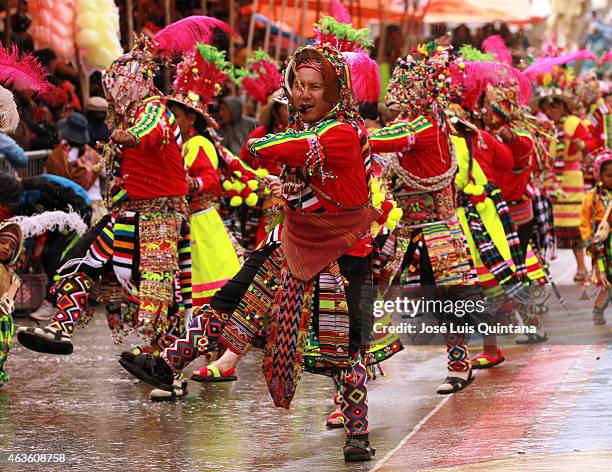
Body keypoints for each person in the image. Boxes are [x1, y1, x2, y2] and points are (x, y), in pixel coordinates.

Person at [119, 43, 380, 462]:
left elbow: (275, 149)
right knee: (229, 298)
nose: (304, 94)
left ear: (334, 94)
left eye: (315, 87)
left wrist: (266, 147)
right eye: (298, 85)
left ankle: (357, 434)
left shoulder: (344, 132)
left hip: (347, 251)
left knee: (344, 350)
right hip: (294, 240)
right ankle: (168, 363)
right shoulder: (307, 131)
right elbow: (282, 159)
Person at [17, 37, 191, 357]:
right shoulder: (128, 117)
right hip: (126, 216)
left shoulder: (154, 112)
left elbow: (152, 130)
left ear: (132, 86)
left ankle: (161, 357)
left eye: (115, 87)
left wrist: (133, 136)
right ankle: (60, 326)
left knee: (159, 289)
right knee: (79, 261)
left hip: (159, 219)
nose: (112, 94)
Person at [369, 52, 477, 395]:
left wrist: (341, 133)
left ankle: (460, 364)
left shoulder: (427, 124)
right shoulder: (416, 122)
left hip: (436, 233)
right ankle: (351, 385)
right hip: (404, 231)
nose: (399, 96)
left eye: (407, 88)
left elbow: (389, 140)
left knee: (446, 300)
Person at [541, 94, 598, 282]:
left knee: (574, 225)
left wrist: (580, 144)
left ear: (564, 108)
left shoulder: (574, 123)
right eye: (548, 109)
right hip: (553, 180)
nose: (550, 112)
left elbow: (591, 143)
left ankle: (582, 267)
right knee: (551, 226)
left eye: (554, 108)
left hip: (571, 181)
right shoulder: (547, 127)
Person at [580, 150, 612, 325]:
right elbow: (584, 221)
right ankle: (598, 309)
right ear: (598, 175)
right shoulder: (592, 197)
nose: (611, 179)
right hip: (600, 246)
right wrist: (588, 241)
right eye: (608, 175)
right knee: (604, 279)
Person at [0, 222, 22, 386]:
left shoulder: (11, 274)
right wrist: (14, 287)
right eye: (2, 242)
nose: (6, 247)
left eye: (11, 246)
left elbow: (7, 305)